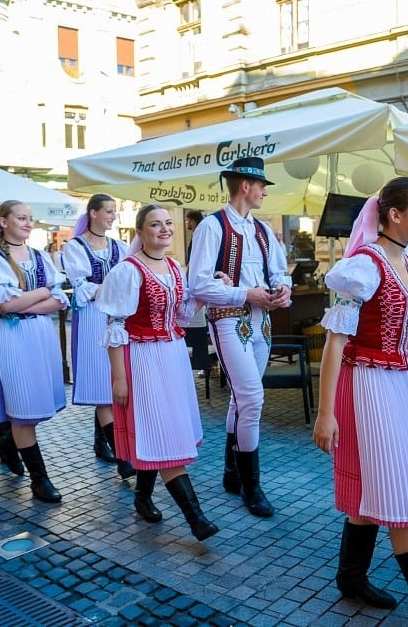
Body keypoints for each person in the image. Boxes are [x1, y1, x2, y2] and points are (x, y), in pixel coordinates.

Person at [313, 176, 408, 626]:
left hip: (400, 382)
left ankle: (350, 576)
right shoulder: (365, 265)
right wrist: (325, 413)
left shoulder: (407, 262)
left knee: (378, 487)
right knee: (398, 494)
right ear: (394, 215)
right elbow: (335, 342)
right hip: (369, 385)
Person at [96, 204, 219, 541]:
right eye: (155, 224)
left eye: (168, 223)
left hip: (172, 357)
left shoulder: (175, 268)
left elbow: (179, 316)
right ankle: (196, 520)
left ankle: (142, 496)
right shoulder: (127, 271)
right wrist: (119, 376)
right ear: (140, 232)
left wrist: (207, 293)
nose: (164, 229)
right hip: (143, 359)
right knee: (162, 432)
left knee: (160, 431)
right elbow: (115, 325)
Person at [189, 156, 291, 518]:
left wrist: (281, 291)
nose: (265, 191)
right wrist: (245, 294)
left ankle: (233, 473)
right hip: (228, 319)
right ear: (245, 186)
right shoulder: (211, 227)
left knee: (241, 399)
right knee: (252, 397)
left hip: (262, 321)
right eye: (261, 185)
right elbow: (198, 284)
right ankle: (252, 486)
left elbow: (281, 272)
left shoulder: (261, 229)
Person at [0, 200, 68, 503]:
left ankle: (8, 440)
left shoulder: (39, 255)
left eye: (30, 219)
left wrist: (29, 301)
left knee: (33, 407)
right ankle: (40, 480)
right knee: (24, 409)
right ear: (3, 221)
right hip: (9, 336)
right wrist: (42, 293)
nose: (28, 223)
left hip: (38, 334)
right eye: (21, 218)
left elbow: (61, 300)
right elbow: (6, 305)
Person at [63, 194, 135, 480]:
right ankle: (122, 455)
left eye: (114, 212)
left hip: (119, 317)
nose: (112, 216)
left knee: (117, 383)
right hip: (92, 318)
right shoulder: (75, 247)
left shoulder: (121, 246)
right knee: (101, 387)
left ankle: (110, 445)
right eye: (107, 211)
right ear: (92, 213)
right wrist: (112, 287)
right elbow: (82, 288)